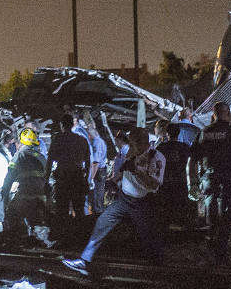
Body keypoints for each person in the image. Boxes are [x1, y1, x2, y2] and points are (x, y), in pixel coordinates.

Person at [63, 127, 165, 275]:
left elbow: (154, 184)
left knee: (147, 232)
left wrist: (137, 171)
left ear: (142, 142)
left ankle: (158, 266)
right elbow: (125, 171)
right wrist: (114, 180)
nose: (130, 145)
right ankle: (84, 260)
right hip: (123, 199)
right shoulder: (132, 152)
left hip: (142, 201)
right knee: (102, 222)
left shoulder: (156, 157)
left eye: (133, 142)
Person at [190, 102, 231, 258]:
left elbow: (192, 159)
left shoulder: (204, 133)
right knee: (230, 211)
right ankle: (226, 244)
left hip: (210, 178)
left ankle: (214, 241)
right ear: (228, 114)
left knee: (211, 210)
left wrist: (192, 183)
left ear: (214, 113)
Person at [45, 114, 90, 242]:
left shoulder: (58, 139)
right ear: (72, 124)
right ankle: (81, 238)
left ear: (62, 125)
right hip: (77, 178)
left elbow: (49, 161)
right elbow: (88, 161)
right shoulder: (81, 140)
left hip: (63, 178)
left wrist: (46, 180)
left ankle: (64, 238)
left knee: (62, 210)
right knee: (79, 210)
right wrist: (86, 180)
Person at [2, 128, 47, 237]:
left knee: (11, 214)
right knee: (35, 220)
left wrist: (4, 192)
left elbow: (10, 175)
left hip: (26, 193)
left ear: (20, 143)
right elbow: (47, 175)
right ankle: (35, 241)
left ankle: (20, 239)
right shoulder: (41, 156)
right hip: (41, 195)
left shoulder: (20, 155)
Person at [156, 123, 192, 229]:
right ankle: (180, 231)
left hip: (165, 181)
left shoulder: (161, 147)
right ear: (179, 133)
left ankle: (167, 230)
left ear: (167, 134)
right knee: (180, 207)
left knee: (167, 208)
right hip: (181, 180)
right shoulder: (185, 147)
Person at [88, 128, 108, 214]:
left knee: (97, 196)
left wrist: (91, 178)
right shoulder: (99, 141)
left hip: (98, 172)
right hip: (99, 171)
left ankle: (98, 215)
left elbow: (96, 162)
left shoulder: (97, 143)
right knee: (96, 195)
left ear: (90, 135)